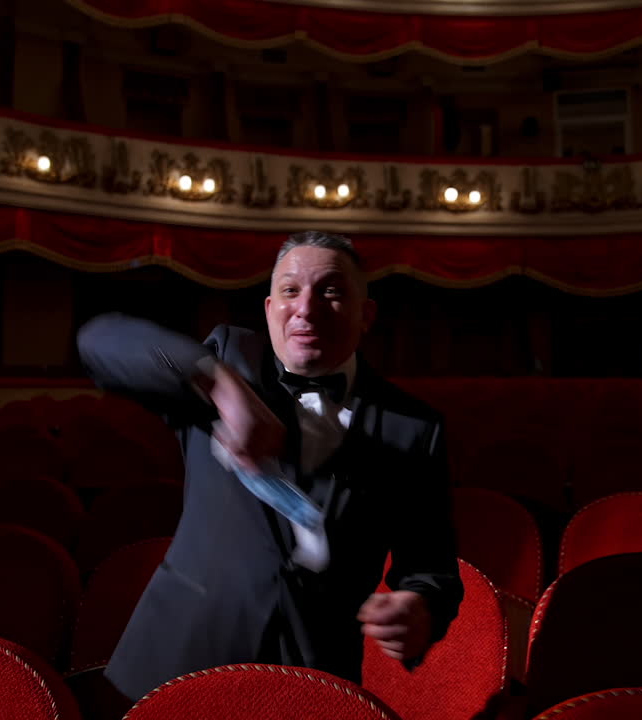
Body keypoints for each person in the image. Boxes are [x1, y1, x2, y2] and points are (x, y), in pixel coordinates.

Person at [77, 230, 463, 702]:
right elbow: (101, 340)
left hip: (313, 676)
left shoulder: (414, 427)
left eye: (332, 291)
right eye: (290, 290)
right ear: (268, 310)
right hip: (180, 658)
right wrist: (216, 381)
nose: (306, 308)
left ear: (367, 316)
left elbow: (432, 568)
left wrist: (420, 607)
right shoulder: (225, 358)